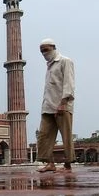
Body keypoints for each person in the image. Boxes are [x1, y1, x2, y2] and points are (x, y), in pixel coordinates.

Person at [36, 38, 76, 173]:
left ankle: (68, 165)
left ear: (53, 47)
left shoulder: (65, 61)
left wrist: (63, 103)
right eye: (41, 52)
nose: (44, 54)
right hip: (48, 106)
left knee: (66, 136)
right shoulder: (50, 65)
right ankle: (50, 163)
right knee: (44, 135)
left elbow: (68, 83)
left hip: (62, 106)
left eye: (46, 50)